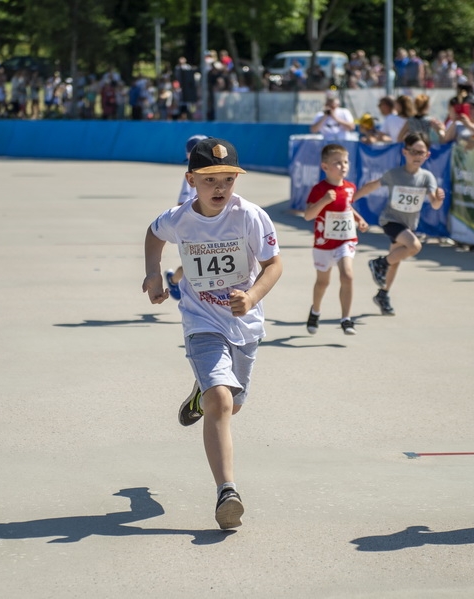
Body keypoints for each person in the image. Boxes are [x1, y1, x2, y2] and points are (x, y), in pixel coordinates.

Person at [143, 138, 283, 530]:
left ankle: (200, 392)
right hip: (201, 320)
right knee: (220, 401)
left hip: (245, 325)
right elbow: (154, 234)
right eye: (209, 180)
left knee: (229, 406)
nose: (219, 187)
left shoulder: (250, 216)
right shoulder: (179, 217)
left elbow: (274, 264)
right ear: (191, 180)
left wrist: (253, 295)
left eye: (227, 179)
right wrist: (154, 272)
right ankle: (228, 491)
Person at [352, 132, 445, 316]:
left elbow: (434, 203)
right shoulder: (395, 174)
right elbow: (372, 185)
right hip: (391, 220)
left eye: (422, 153)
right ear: (405, 152)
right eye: (414, 152)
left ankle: (383, 294)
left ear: (427, 155)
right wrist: (351, 198)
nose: (418, 156)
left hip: (408, 224)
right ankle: (379, 263)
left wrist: (439, 199)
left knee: (396, 259)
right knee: (414, 246)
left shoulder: (427, 177)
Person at [303, 144, 369, 335]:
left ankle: (346, 319)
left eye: (346, 162)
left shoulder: (350, 188)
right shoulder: (319, 189)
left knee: (347, 275)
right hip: (324, 243)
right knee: (323, 282)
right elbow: (308, 215)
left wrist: (359, 219)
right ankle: (315, 311)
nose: (343, 166)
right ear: (325, 167)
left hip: (345, 240)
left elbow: (347, 207)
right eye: (337, 163)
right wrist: (324, 200)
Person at [164, 134, 209, 301]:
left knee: (201, 264)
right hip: (197, 225)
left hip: (208, 223)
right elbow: (181, 203)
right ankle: (174, 280)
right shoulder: (192, 174)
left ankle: (174, 280)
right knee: (195, 265)